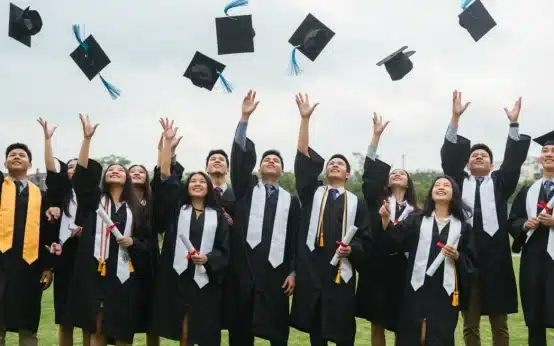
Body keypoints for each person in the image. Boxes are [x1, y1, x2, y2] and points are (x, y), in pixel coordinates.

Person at [441, 90, 531, 346]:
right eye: (474, 155)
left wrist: (514, 124)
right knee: (469, 325)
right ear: (468, 163)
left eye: (484, 156)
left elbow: (513, 162)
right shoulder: (458, 182)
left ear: (492, 164)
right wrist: (455, 118)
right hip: (466, 257)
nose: (478, 156)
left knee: (499, 324)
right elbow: (449, 159)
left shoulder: (501, 182)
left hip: (496, 259)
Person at [290, 93, 371, 346]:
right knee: (317, 336)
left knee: (344, 334)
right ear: (325, 172)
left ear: (348, 174)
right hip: (313, 272)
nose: (334, 165)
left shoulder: (357, 203)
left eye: (340, 164)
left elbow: (365, 240)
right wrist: (305, 120)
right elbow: (303, 161)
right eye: (331, 163)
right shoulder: (312, 193)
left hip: (341, 275)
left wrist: (352, 250)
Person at [68, 114, 151, 345]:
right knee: (96, 328)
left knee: (123, 330)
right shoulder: (94, 200)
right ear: (104, 177)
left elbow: (147, 242)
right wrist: (86, 140)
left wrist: (133, 242)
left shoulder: (136, 208)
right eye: (110, 169)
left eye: (120, 170)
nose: (115, 171)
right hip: (95, 271)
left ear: (127, 178)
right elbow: (82, 177)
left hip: (125, 274)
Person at [228, 90, 301, 346]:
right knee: (240, 333)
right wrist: (244, 119)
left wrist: (293, 272)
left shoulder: (290, 200)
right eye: (266, 160)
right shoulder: (246, 188)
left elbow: (294, 239)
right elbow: (237, 161)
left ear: (282, 171)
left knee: (277, 334)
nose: (271, 162)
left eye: (276, 160)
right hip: (244, 270)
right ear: (259, 168)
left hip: (276, 274)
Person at [150, 118, 229, 345]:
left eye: (201, 181)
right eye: (192, 181)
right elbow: (165, 180)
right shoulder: (177, 209)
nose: (196, 183)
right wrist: (166, 145)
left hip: (207, 280)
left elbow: (224, 249)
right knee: (184, 331)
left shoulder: (218, 216)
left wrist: (207, 258)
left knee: (206, 333)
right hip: (179, 278)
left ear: (208, 188)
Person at [379, 175, 477, 346]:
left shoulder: (463, 227)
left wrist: (458, 256)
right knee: (413, 336)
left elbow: (472, 263)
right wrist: (386, 220)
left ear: (454, 194)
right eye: (437, 185)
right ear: (431, 193)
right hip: (416, 290)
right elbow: (393, 242)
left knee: (439, 337)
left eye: (446, 185)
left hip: (444, 293)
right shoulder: (416, 219)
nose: (440, 187)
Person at [356, 113, 419, 345]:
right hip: (377, 267)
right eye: (393, 173)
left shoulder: (416, 213)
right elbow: (369, 174)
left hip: (403, 270)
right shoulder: (377, 201)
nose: (397, 174)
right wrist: (376, 136)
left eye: (402, 173)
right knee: (377, 321)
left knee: (401, 322)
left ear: (408, 183)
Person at [38, 118, 100, 346]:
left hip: (86, 255)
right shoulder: (60, 195)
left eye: (77, 166)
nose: (73, 169)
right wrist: (47, 139)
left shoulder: (90, 195)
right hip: (64, 255)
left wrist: (86, 139)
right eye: (70, 167)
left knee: (85, 317)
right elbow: (51, 168)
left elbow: (83, 170)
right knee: (64, 318)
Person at [0, 140, 56, 346]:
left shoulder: (41, 196)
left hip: (29, 266)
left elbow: (48, 234)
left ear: (30, 165)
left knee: (28, 323)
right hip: (1, 264)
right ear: (5, 164)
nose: (16, 156)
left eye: (22, 155)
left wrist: (48, 266)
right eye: (12, 154)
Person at [509, 131, 554, 345]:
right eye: (545, 151)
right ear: (539, 158)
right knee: (535, 319)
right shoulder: (528, 190)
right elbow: (513, 220)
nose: (549, 154)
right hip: (533, 261)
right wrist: (526, 224)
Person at [204, 149, 236, 332]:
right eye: (212, 159)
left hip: (232, 263)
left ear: (228, 168)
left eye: (221, 159)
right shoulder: (199, 195)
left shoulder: (238, 196)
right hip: (205, 261)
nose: (217, 161)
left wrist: (235, 224)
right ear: (206, 167)